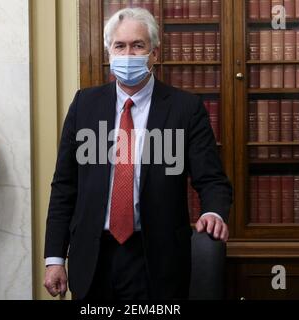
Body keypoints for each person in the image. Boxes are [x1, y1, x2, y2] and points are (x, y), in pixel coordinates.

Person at [44, 8, 232, 300]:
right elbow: (64, 186)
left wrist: (212, 211)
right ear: (109, 52)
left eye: (138, 45)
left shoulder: (185, 108)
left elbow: (212, 180)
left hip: (156, 260)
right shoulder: (84, 104)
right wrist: (55, 258)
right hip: (93, 257)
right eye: (120, 46)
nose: (128, 54)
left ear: (154, 53)